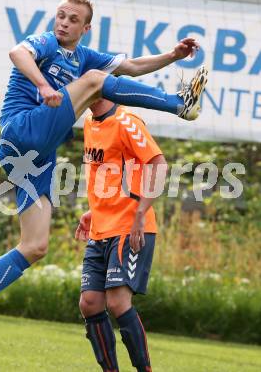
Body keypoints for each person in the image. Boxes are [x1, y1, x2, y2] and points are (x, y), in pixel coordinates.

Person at [0, 0, 207, 352]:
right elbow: (17, 53)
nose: (63, 23)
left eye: (72, 19)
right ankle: (181, 105)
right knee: (97, 80)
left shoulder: (84, 57)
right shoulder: (47, 43)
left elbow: (129, 67)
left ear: (86, 28)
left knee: (35, 245)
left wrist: (172, 57)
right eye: (61, 16)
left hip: (35, 155)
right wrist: (42, 84)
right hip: (22, 128)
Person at [76, 98, 167, 372]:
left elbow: (159, 164)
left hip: (129, 227)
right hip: (101, 226)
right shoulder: (89, 122)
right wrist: (95, 211)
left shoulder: (127, 121)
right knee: (90, 303)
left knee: (117, 301)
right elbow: (109, 175)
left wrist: (141, 214)